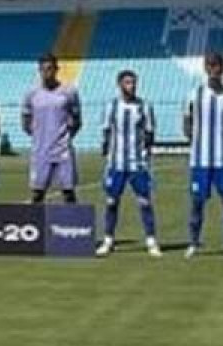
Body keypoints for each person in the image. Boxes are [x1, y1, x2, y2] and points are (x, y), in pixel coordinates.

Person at [183, 51, 223, 259]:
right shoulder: (194, 94)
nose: (213, 69)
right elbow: (187, 122)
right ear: (205, 68)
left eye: (217, 65)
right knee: (197, 202)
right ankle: (193, 243)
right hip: (200, 160)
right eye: (210, 65)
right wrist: (195, 141)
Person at [96, 69, 160, 257]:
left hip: (137, 163)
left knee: (145, 202)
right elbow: (106, 131)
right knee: (111, 202)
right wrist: (107, 153)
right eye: (127, 83)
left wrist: (146, 155)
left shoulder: (144, 106)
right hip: (116, 164)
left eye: (133, 83)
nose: (131, 86)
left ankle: (151, 241)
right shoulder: (111, 106)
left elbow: (149, 133)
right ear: (120, 85)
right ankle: (108, 240)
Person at [22, 54, 82, 204]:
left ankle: (71, 219)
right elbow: (25, 121)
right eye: (43, 69)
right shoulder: (31, 94)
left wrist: (66, 136)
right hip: (40, 151)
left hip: (63, 150)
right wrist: (38, 135)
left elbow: (77, 120)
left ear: (56, 69)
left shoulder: (69, 92)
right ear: (39, 70)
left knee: (68, 193)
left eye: (50, 69)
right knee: (37, 194)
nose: (46, 72)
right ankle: (35, 219)